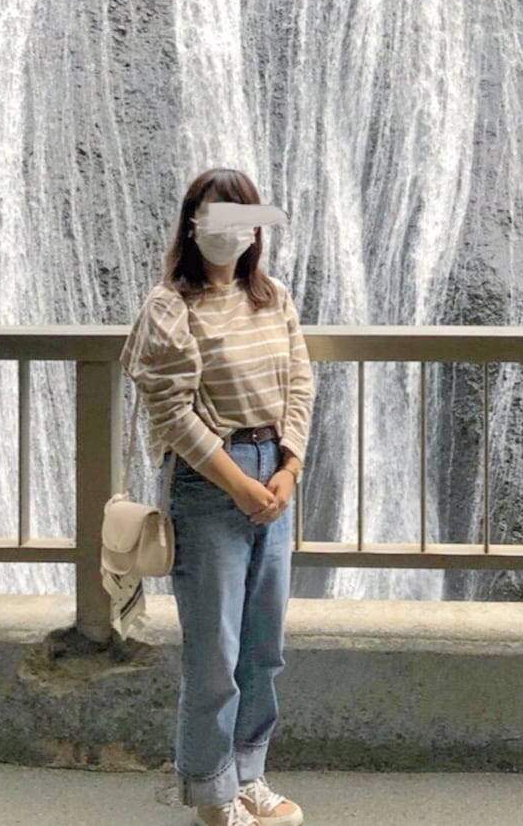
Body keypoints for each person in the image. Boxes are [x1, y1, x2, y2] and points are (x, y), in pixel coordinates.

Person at [121, 167, 314, 826]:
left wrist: (289, 468)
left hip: (274, 474)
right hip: (209, 484)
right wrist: (241, 484)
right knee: (214, 656)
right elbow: (172, 413)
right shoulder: (170, 308)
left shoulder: (272, 297)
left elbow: (299, 383)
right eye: (214, 216)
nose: (228, 232)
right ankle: (211, 792)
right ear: (192, 223)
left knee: (263, 648)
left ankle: (249, 774)